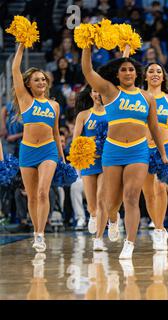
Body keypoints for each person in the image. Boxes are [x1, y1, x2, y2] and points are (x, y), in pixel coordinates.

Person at [81, 43, 168, 260]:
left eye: (131, 69)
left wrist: (163, 154)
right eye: (123, 69)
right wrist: (87, 46)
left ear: (137, 73)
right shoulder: (110, 92)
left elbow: (155, 128)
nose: (128, 73)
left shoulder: (147, 97)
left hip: (138, 150)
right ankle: (113, 219)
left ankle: (129, 243)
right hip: (113, 150)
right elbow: (88, 71)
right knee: (111, 202)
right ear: (117, 75)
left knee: (131, 197)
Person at [12, 43, 65, 253]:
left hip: (48, 150)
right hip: (27, 151)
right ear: (28, 84)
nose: (41, 82)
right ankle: (36, 231)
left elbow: (55, 132)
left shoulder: (54, 105)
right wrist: (21, 47)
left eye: (43, 79)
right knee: (32, 196)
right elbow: (14, 70)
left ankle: (41, 234)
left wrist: (62, 157)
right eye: (37, 80)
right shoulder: (25, 100)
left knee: (43, 192)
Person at [142, 62, 168, 251]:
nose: (155, 74)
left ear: (163, 77)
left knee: (160, 187)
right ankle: (157, 225)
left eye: (159, 71)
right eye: (151, 71)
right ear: (145, 76)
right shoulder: (139, 97)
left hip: (166, 146)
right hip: (143, 147)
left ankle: (159, 229)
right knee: (148, 193)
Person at [72, 85, 108, 250]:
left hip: (107, 161)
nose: (98, 94)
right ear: (91, 94)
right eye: (95, 91)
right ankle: (93, 216)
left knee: (102, 199)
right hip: (89, 162)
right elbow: (76, 141)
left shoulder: (111, 113)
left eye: (100, 90)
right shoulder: (84, 115)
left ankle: (99, 238)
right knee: (92, 205)